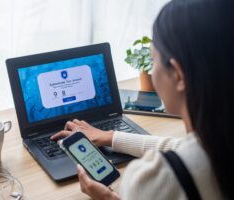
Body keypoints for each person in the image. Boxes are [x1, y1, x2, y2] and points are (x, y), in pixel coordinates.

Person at [51, 0, 234, 199]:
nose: (151, 72)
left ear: (179, 75)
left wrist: (107, 198)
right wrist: (111, 136)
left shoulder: (152, 180)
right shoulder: (218, 143)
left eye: (153, 60)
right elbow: (181, 147)